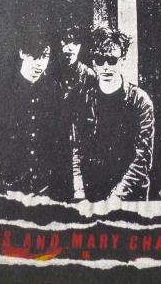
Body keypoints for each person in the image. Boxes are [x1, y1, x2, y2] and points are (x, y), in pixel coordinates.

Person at [77, 27, 155, 202]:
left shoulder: (140, 100)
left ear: (123, 60)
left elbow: (143, 157)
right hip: (91, 193)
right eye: (100, 60)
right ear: (94, 62)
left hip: (129, 193)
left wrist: (116, 197)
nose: (105, 67)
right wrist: (79, 192)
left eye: (112, 60)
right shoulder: (83, 98)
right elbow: (75, 148)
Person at [0, 30, 73, 201]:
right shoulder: (4, 91)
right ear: (22, 53)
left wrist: (63, 194)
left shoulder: (55, 91)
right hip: (10, 190)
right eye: (35, 56)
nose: (40, 63)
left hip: (46, 191)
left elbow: (62, 145)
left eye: (45, 56)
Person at [52, 25, 96, 200]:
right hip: (55, 139)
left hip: (80, 141)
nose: (70, 48)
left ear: (80, 46)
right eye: (65, 42)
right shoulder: (51, 73)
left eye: (75, 43)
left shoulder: (89, 76)